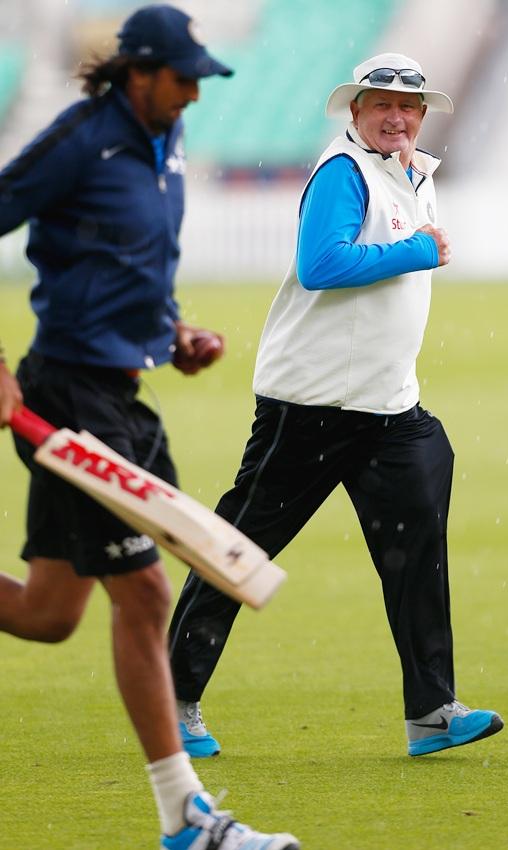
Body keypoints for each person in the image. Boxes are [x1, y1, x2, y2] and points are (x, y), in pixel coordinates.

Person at [0, 5, 299, 849]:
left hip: (123, 400)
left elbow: (125, 261)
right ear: (137, 71)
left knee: (50, 614)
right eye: (182, 79)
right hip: (64, 398)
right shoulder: (78, 139)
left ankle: (186, 820)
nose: (194, 94)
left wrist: (172, 332)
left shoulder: (162, 145)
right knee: (145, 591)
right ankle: (187, 819)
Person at [169, 52, 504, 760]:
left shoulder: (408, 171)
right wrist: (416, 248)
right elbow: (322, 265)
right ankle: (172, 698)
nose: (394, 116)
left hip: (388, 407)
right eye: (380, 103)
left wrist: (414, 238)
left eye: (407, 107)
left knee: (416, 550)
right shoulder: (342, 171)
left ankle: (432, 712)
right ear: (353, 111)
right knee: (241, 550)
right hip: (310, 403)